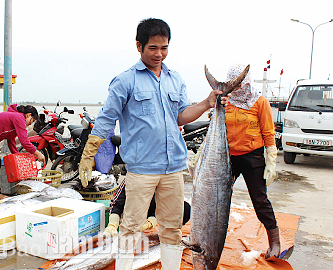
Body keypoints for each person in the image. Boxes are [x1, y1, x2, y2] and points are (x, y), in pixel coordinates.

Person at [78, 18, 230, 270]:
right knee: (130, 227)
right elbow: (106, 119)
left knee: (172, 227)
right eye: (153, 48)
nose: (159, 54)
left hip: (174, 168)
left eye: (164, 48)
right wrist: (88, 153)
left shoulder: (175, 79)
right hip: (141, 170)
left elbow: (181, 116)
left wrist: (206, 103)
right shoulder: (125, 81)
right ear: (139, 46)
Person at [224, 63, 280, 260]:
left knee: (259, 200)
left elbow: (268, 133)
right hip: (227, 158)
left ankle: (275, 241)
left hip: (252, 157)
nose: (237, 87)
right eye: (233, 83)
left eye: (239, 82)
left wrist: (271, 161)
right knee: (218, 199)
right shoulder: (226, 102)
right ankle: (214, 236)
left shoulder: (260, 102)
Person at [104, 178, 191, 237]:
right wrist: (113, 224)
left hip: (156, 209)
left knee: (185, 208)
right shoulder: (131, 179)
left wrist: (149, 222)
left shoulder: (163, 179)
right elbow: (116, 203)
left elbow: (165, 204)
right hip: (135, 210)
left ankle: (169, 229)